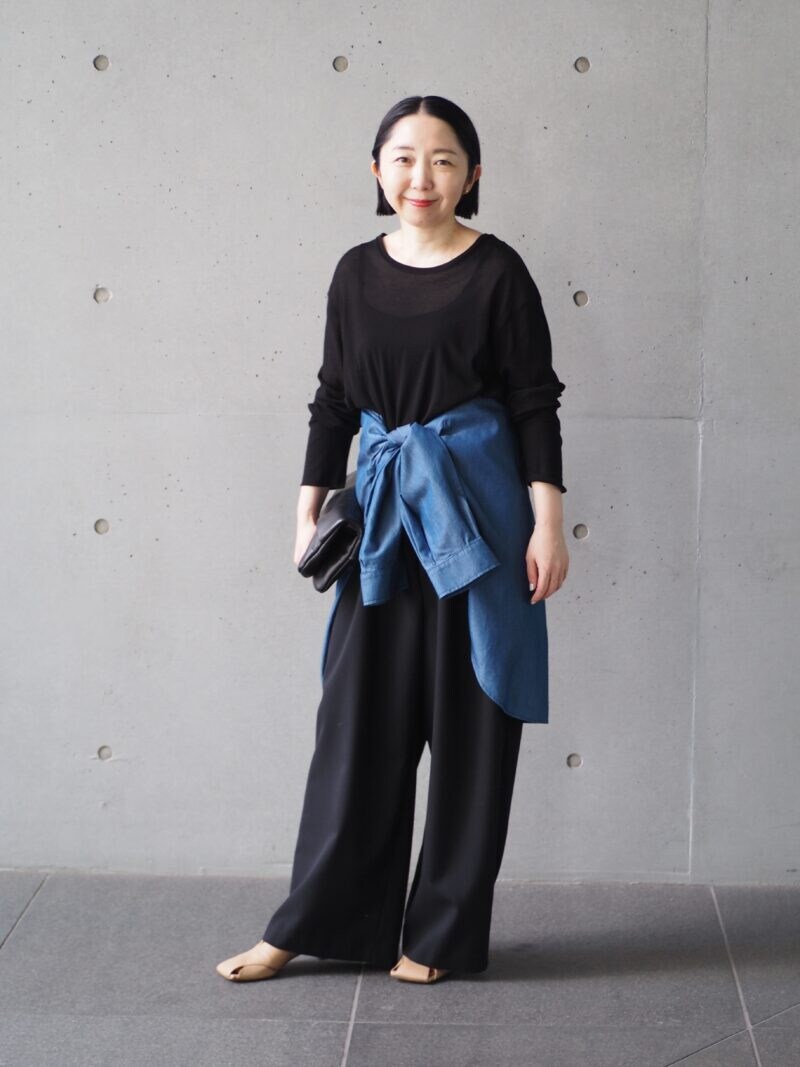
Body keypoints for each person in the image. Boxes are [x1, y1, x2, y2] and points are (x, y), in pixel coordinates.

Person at [217, 94, 569, 987]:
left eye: (444, 159)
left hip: (479, 521)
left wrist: (548, 524)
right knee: (357, 725)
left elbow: (534, 400)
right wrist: (306, 510)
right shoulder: (354, 273)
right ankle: (314, 923)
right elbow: (334, 398)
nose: (423, 176)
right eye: (404, 157)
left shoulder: (499, 272)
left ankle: (439, 935)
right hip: (379, 518)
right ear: (377, 170)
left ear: (473, 175)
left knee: (472, 723)